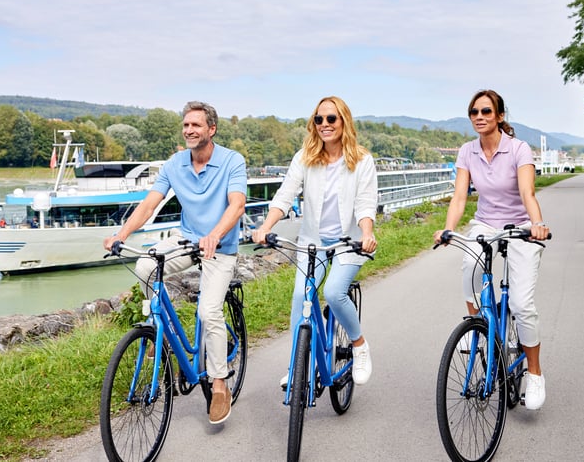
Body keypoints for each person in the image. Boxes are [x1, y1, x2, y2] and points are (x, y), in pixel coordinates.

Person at [103, 101, 246, 425]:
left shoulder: (231, 161)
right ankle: (160, 336)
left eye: (195, 125)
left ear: (211, 129)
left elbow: (237, 205)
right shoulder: (174, 164)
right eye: (185, 126)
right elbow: (149, 204)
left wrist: (215, 234)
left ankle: (219, 382)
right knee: (144, 268)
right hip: (186, 238)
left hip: (220, 246)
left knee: (208, 311)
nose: (189, 131)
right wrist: (121, 234)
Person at [433, 89, 551, 410]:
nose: (479, 117)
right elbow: (460, 197)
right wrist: (448, 228)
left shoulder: (519, 149)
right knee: (468, 268)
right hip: (486, 223)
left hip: (521, 225)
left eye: (486, 111)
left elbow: (528, 192)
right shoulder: (467, 152)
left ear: (499, 116)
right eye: (474, 112)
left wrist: (537, 223)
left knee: (521, 302)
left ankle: (535, 373)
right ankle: (475, 328)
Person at [251, 96, 378, 386]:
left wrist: (367, 234)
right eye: (318, 119)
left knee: (334, 292)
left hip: (349, 242)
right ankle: (299, 366)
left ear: (343, 121)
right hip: (313, 242)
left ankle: (359, 345)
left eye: (331, 119)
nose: (324, 125)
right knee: (300, 297)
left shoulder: (362, 161)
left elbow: (365, 203)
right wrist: (265, 227)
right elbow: (284, 196)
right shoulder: (304, 158)